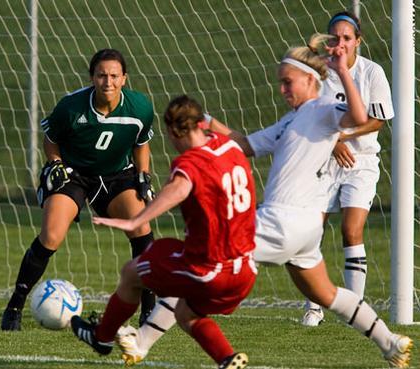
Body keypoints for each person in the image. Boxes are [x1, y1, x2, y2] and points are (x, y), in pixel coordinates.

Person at [112, 34, 412, 368]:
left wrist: (342, 70)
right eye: (280, 84)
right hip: (305, 228)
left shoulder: (323, 109)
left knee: (199, 266)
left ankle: (141, 342)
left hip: (282, 221)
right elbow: (247, 145)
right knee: (325, 293)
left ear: (311, 80)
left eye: (288, 82)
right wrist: (210, 124)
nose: (283, 90)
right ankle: (390, 343)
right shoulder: (292, 119)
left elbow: (359, 117)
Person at [70, 95, 258, 369]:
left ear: (172, 131)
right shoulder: (230, 147)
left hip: (210, 269)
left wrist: (136, 220)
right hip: (246, 271)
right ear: (202, 123)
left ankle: (102, 337)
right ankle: (227, 359)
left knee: (131, 273)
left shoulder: (189, 163)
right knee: (185, 313)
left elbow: (179, 188)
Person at [0, 48, 156, 331]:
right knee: (51, 236)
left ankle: (149, 309)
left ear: (124, 79)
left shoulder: (140, 108)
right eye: (101, 75)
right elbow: (51, 140)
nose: (107, 82)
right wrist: (56, 163)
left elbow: (140, 144)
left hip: (117, 176)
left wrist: (143, 175)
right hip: (74, 175)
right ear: (91, 78)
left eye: (113, 76)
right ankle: (15, 304)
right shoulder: (71, 107)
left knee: (141, 227)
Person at [301, 11, 395, 327]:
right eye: (335, 38)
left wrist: (343, 137)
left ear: (358, 41)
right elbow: (309, 115)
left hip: (361, 163)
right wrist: (332, 142)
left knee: (351, 230)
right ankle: (313, 307)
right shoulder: (319, 74)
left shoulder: (372, 72)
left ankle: (354, 312)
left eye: (347, 38)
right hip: (324, 162)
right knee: (311, 231)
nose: (340, 43)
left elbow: (378, 120)